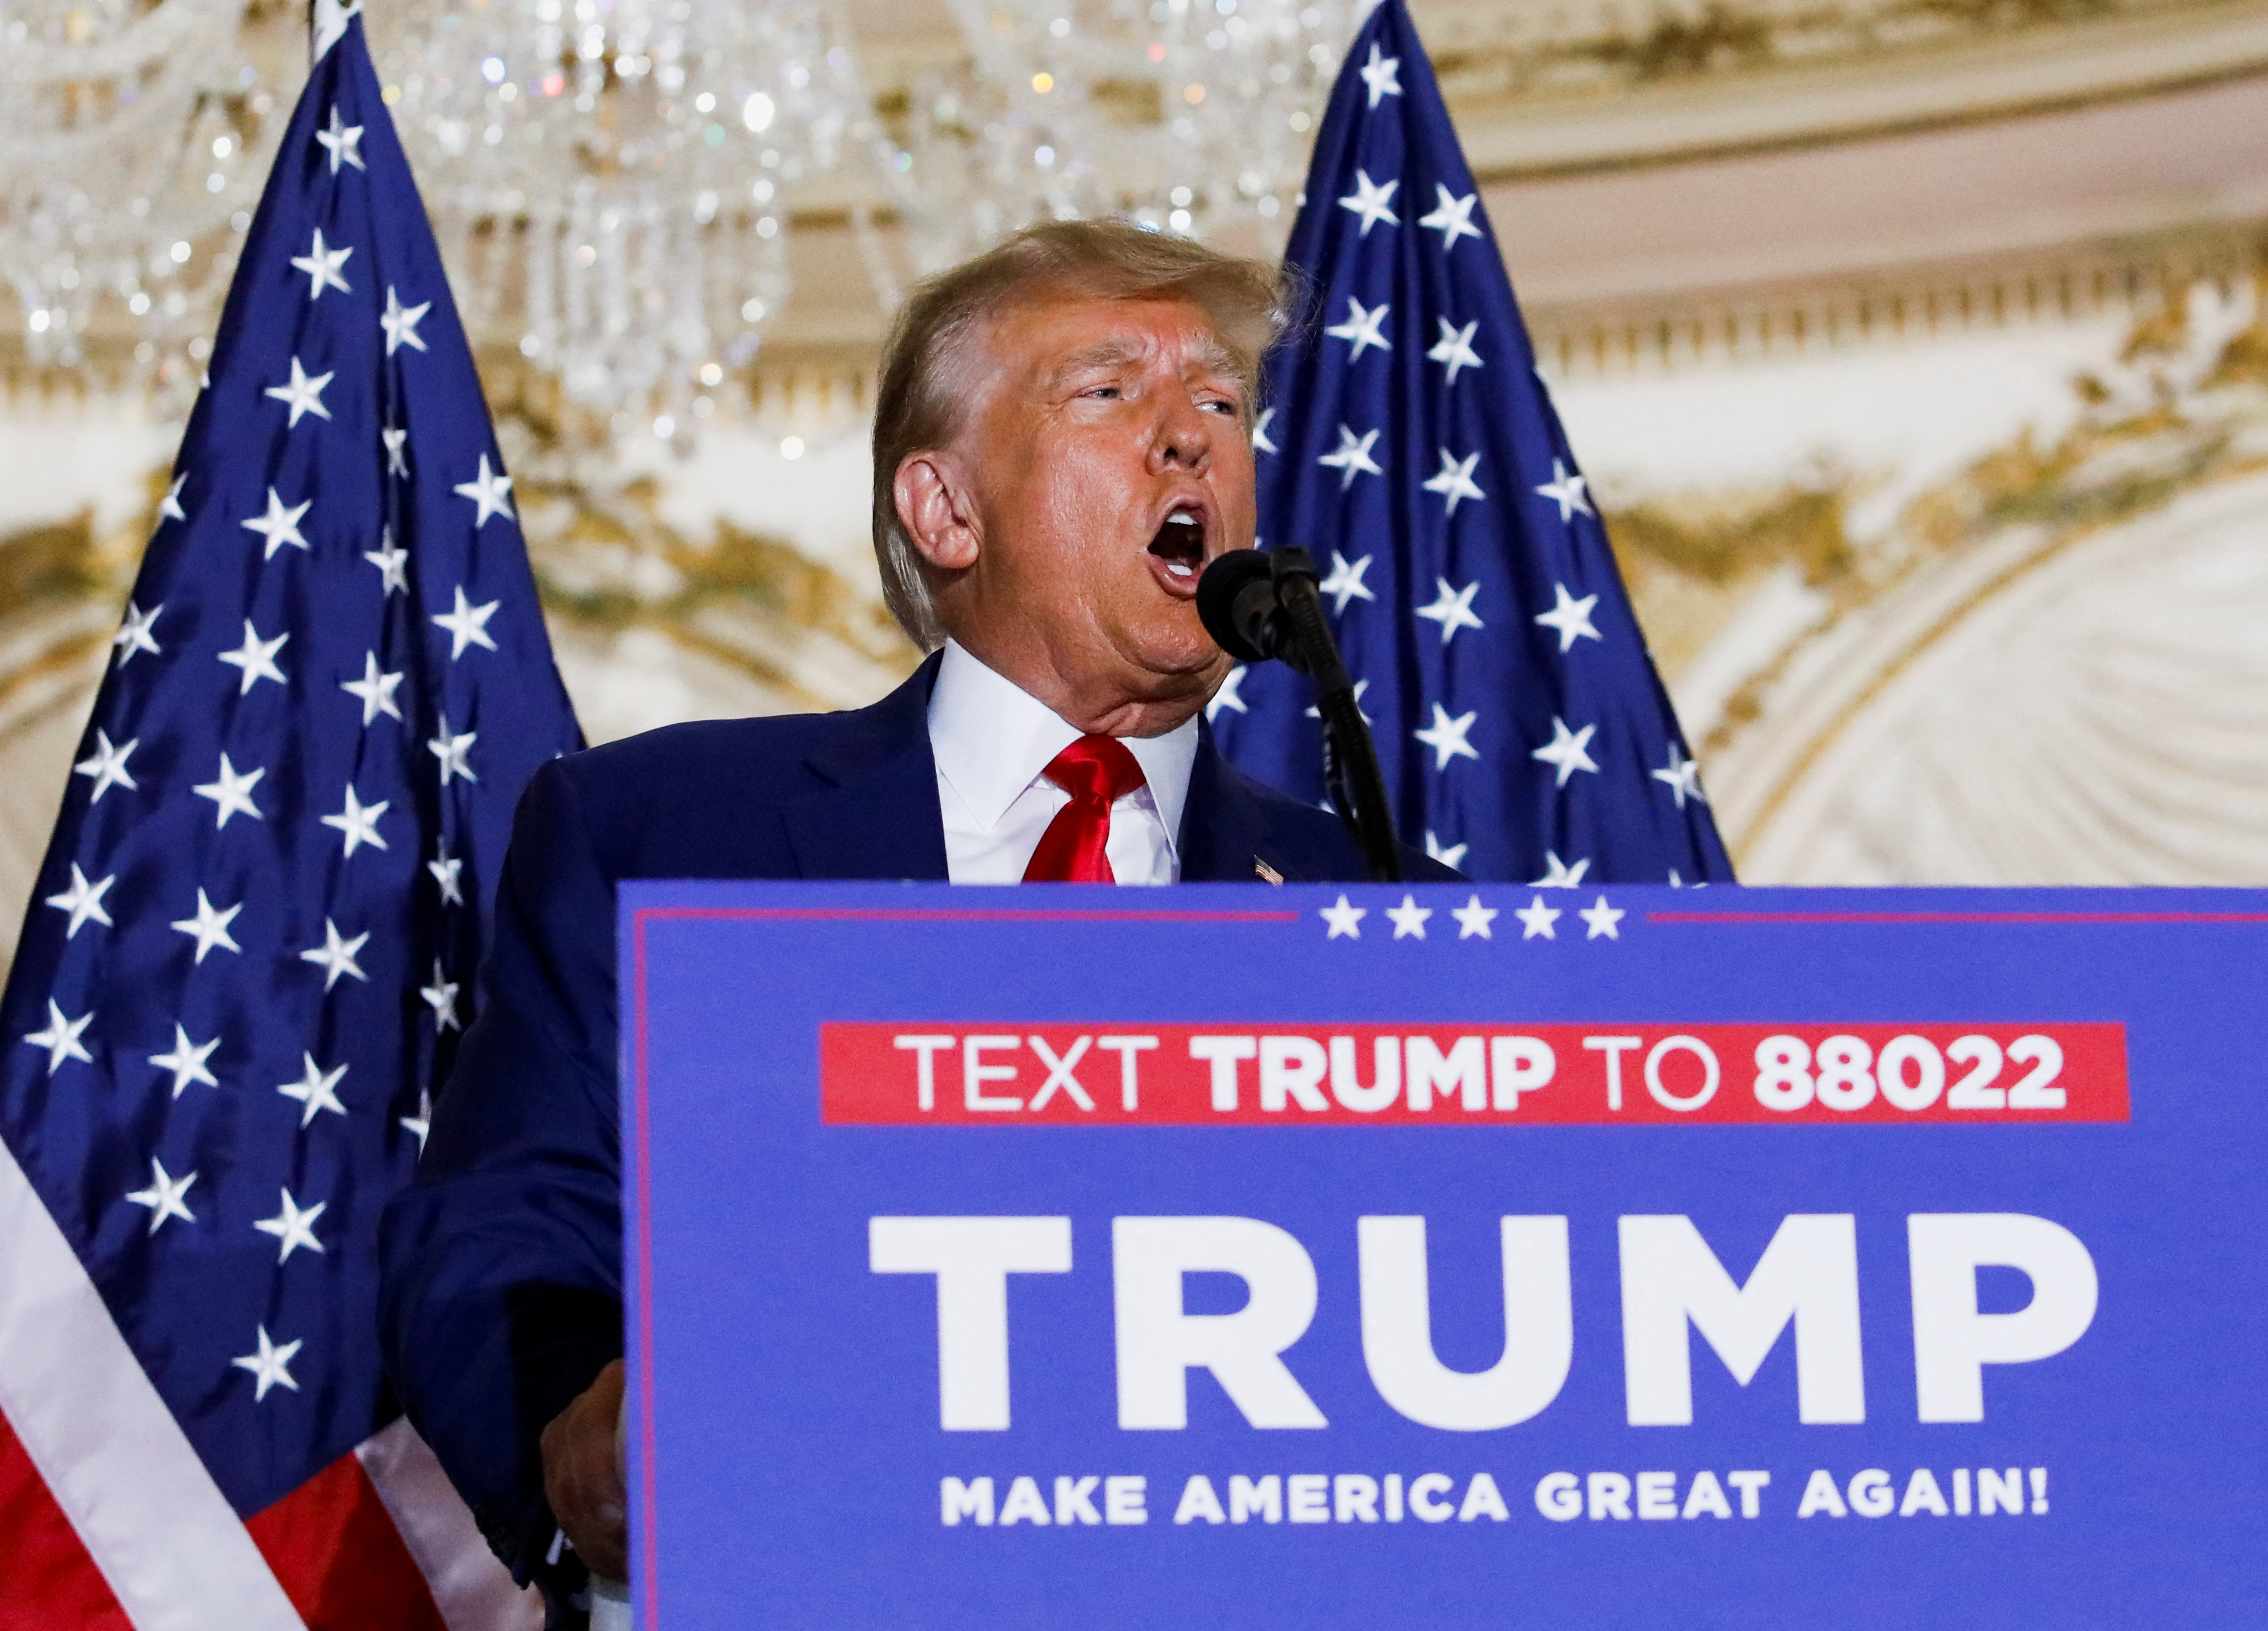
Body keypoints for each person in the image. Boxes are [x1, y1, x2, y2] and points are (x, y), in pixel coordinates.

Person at [377, 220, 1461, 1621]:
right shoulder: (668, 832)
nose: (1189, 436)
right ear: (945, 511)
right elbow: (507, 1231)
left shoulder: (1376, 913)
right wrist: (579, 1439)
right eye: (1107, 390)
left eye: (1219, 401)